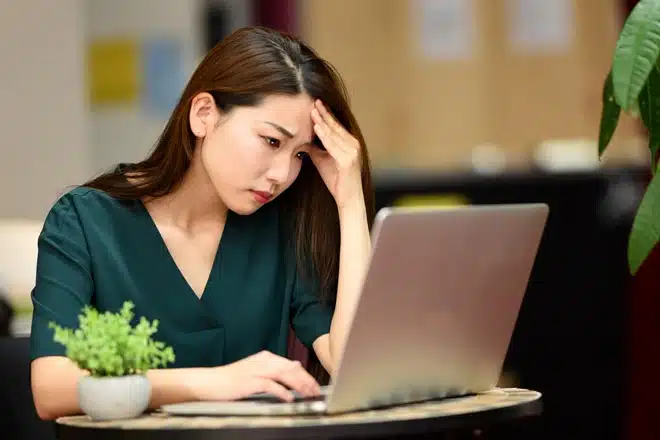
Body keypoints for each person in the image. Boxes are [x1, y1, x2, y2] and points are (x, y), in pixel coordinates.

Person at [29, 26, 375, 420]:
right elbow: (51, 386)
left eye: (300, 155)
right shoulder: (84, 222)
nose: (282, 173)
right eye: (272, 141)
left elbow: (352, 368)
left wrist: (350, 203)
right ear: (204, 115)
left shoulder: (280, 229)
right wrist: (209, 383)